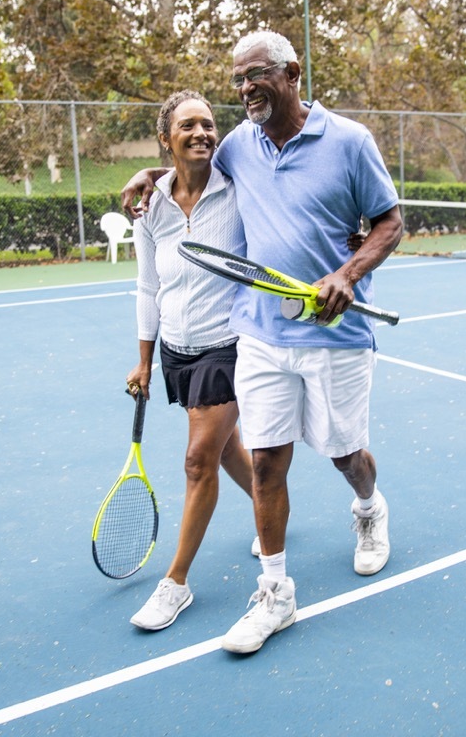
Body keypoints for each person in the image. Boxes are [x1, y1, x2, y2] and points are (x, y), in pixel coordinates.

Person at [123, 31, 404, 654]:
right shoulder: (238, 148)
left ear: (292, 72)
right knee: (269, 462)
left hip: (337, 336)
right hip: (259, 334)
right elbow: (189, 163)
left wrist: (347, 274)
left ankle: (368, 506)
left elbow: (390, 222)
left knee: (343, 454)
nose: (246, 88)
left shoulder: (351, 142)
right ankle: (276, 592)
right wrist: (152, 174)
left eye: (256, 75)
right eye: (238, 80)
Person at [124, 90, 257, 631]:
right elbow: (147, 286)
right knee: (224, 451)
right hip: (178, 349)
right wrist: (144, 361)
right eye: (188, 126)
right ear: (167, 138)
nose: (202, 132)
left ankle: (174, 583)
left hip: (230, 342)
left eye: (208, 124)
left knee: (198, 459)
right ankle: (268, 502)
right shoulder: (149, 205)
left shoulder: (239, 185)